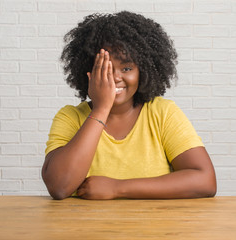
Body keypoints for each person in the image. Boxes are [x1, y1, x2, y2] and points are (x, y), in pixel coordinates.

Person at [42, 11, 216, 200]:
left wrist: (118, 188)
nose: (116, 77)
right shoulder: (70, 117)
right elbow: (59, 187)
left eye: (126, 68)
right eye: (105, 68)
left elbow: (205, 180)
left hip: (155, 227)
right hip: (87, 228)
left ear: (143, 71)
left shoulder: (162, 113)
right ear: (88, 71)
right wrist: (101, 109)